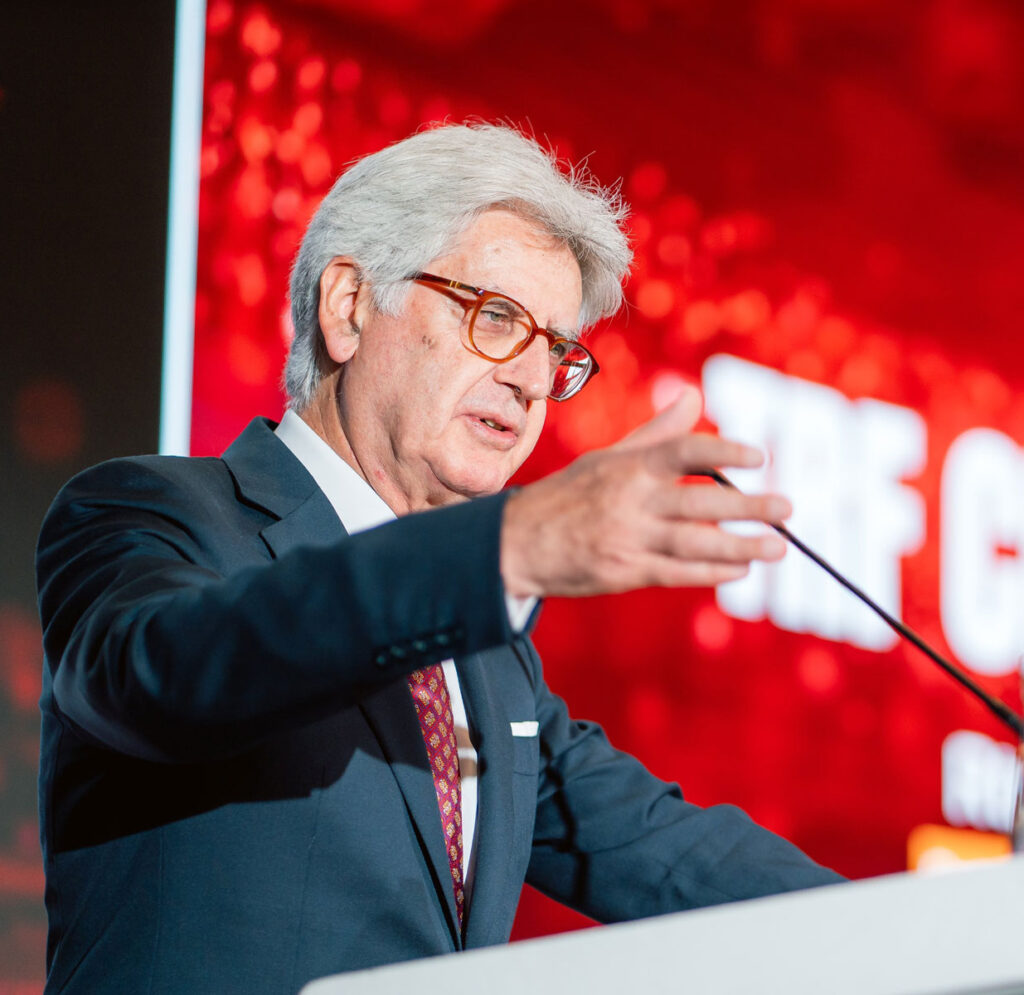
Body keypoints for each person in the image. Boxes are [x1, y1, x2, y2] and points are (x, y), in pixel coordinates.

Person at [36, 123, 842, 995]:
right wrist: (508, 546)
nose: (531, 380)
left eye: (556, 349)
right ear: (348, 306)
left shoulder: (492, 665)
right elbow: (164, 672)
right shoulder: (147, 512)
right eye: (496, 317)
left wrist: (934, 921)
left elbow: (668, 852)